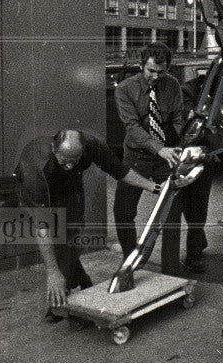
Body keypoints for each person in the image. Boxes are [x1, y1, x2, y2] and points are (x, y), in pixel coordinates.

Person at [15, 129, 160, 319]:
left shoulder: (91, 145)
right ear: (53, 148)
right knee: (57, 239)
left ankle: (79, 281)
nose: (68, 166)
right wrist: (52, 272)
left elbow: (120, 171)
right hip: (39, 188)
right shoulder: (34, 168)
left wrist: (153, 187)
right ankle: (68, 289)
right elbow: (42, 226)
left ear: (82, 151)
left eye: (74, 160)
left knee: (73, 233)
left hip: (69, 187)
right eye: (64, 160)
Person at [113, 42, 185, 275]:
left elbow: (178, 118)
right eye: (150, 71)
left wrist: (174, 144)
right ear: (141, 65)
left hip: (166, 156)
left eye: (161, 72)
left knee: (171, 212)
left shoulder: (172, 85)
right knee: (123, 211)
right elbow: (132, 127)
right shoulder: (124, 89)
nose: (155, 77)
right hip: (136, 156)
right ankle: (130, 261)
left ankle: (171, 270)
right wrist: (158, 148)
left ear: (168, 69)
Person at [177, 72, 217, 274]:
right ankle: (198, 241)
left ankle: (194, 253)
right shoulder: (188, 91)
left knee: (198, 206)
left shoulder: (216, 92)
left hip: (204, 153)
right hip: (187, 152)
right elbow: (188, 118)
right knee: (189, 204)